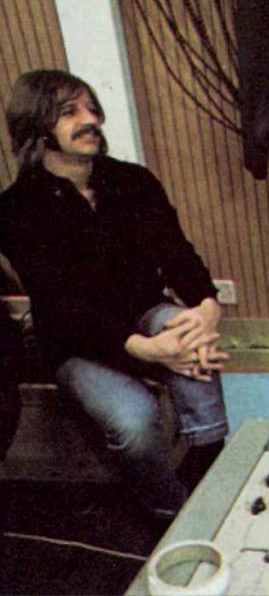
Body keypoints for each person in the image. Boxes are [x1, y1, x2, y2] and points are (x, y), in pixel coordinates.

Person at [0, 70, 229, 520]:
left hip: (144, 315)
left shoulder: (133, 181)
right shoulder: (15, 210)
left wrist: (207, 306)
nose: (90, 120)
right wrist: (146, 350)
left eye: (91, 108)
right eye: (69, 112)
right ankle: (170, 510)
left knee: (190, 333)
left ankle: (213, 466)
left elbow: (176, 253)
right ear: (36, 126)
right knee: (134, 421)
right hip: (76, 345)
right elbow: (64, 308)